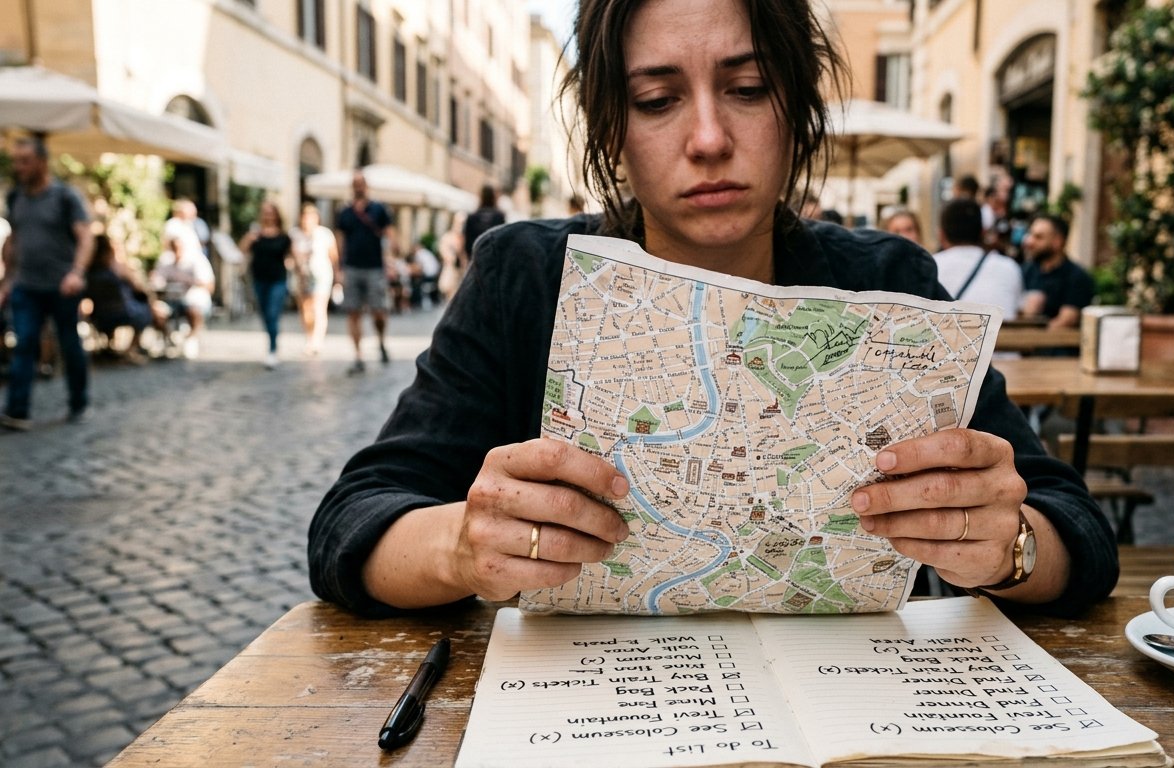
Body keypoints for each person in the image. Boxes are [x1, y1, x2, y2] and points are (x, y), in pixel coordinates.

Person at [309, 0, 1115, 619]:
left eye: (748, 88)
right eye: (658, 99)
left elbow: (1074, 529)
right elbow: (353, 524)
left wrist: (1004, 547)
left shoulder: (888, 282)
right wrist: (457, 546)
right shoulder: (526, 275)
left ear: (795, 107)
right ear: (612, 131)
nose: (707, 137)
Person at [0, 137, 94, 430]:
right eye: (16, 161)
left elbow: (86, 237)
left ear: (42, 161)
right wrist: (6, 281)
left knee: (69, 343)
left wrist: (76, 272)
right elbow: (13, 241)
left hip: (62, 286)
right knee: (25, 343)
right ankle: (17, 410)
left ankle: (78, 401)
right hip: (26, 286)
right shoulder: (15, 198)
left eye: (25, 161)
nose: (19, 167)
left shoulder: (66, 197)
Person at [334, 171, 395, 375]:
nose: (358, 187)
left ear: (366, 186)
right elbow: (341, 240)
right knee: (353, 312)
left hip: (374, 267)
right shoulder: (345, 212)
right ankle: (358, 355)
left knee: (378, 312)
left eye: (361, 184)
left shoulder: (378, 209)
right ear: (352, 187)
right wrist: (338, 268)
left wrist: (390, 261)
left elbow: (389, 235)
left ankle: (381, 340)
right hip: (352, 267)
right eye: (355, 184)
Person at [931, 198, 1023, 317]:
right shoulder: (1009, 267)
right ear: (983, 233)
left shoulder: (929, 267)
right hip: (1002, 335)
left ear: (941, 235)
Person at [84, 233, 166, 360]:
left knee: (150, 308)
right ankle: (132, 348)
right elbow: (139, 289)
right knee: (149, 310)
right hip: (123, 312)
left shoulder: (87, 273)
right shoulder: (118, 270)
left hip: (99, 315)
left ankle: (112, 348)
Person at [240, 201, 294, 369]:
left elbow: (292, 256)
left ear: (276, 215)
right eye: (265, 212)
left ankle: (272, 349)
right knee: (265, 314)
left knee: (272, 313)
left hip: (278, 279)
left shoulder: (284, 237)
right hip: (259, 278)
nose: (268, 215)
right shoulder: (256, 235)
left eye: (271, 212)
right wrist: (249, 238)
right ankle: (272, 342)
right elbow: (242, 250)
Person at [1020, 213, 1095, 330]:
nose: (1029, 241)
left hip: (1055, 346)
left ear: (1057, 241)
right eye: (1030, 234)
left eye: (1038, 237)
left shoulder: (1076, 277)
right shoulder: (1026, 270)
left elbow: (1066, 321)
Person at [151, 232, 215, 359]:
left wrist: (189, 281)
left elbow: (209, 286)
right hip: (170, 299)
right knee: (156, 312)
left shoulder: (197, 260)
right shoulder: (165, 261)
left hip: (193, 299)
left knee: (193, 310)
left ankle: (191, 338)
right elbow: (156, 278)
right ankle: (168, 340)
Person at [292, 204, 337, 356]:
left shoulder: (325, 234)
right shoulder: (295, 234)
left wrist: (337, 276)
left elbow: (333, 256)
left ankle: (317, 341)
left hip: (322, 274)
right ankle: (309, 337)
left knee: (319, 307)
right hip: (302, 276)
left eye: (312, 216)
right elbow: (292, 254)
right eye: (306, 216)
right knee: (306, 309)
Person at [461, 184, 506, 262]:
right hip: (492, 259)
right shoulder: (499, 217)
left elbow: (466, 240)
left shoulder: (472, 217)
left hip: (475, 258)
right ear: (493, 197)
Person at [436, 214, 465, 303]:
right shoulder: (447, 237)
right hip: (452, 272)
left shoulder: (465, 238)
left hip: (463, 272)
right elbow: (447, 256)